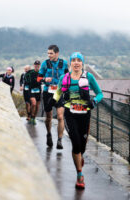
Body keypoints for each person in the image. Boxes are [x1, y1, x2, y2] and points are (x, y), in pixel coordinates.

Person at [48, 52, 103, 189]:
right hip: (70, 113)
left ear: (82, 63)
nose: (76, 63)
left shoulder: (88, 77)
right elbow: (59, 92)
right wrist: (52, 100)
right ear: (70, 63)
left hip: (85, 114)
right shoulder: (64, 78)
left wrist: (94, 102)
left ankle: (79, 157)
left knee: (82, 146)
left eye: (79, 60)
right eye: (74, 60)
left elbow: (100, 94)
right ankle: (79, 175)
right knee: (76, 144)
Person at [37, 45, 69, 149]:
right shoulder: (45, 64)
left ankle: (59, 140)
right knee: (49, 117)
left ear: (57, 53)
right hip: (48, 92)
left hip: (59, 93)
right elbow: (38, 78)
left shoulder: (63, 64)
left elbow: (68, 78)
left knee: (60, 116)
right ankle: (49, 134)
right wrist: (44, 79)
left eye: (51, 53)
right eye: (48, 53)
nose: (49, 55)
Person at [25, 60, 41, 125]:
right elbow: (25, 77)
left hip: (38, 90)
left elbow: (43, 80)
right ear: (34, 65)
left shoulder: (41, 72)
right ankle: (31, 116)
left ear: (39, 66)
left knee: (37, 106)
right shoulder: (30, 72)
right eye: (35, 65)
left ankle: (34, 117)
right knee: (33, 103)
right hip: (31, 90)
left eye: (38, 65)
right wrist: (29, 82)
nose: (36, 66)